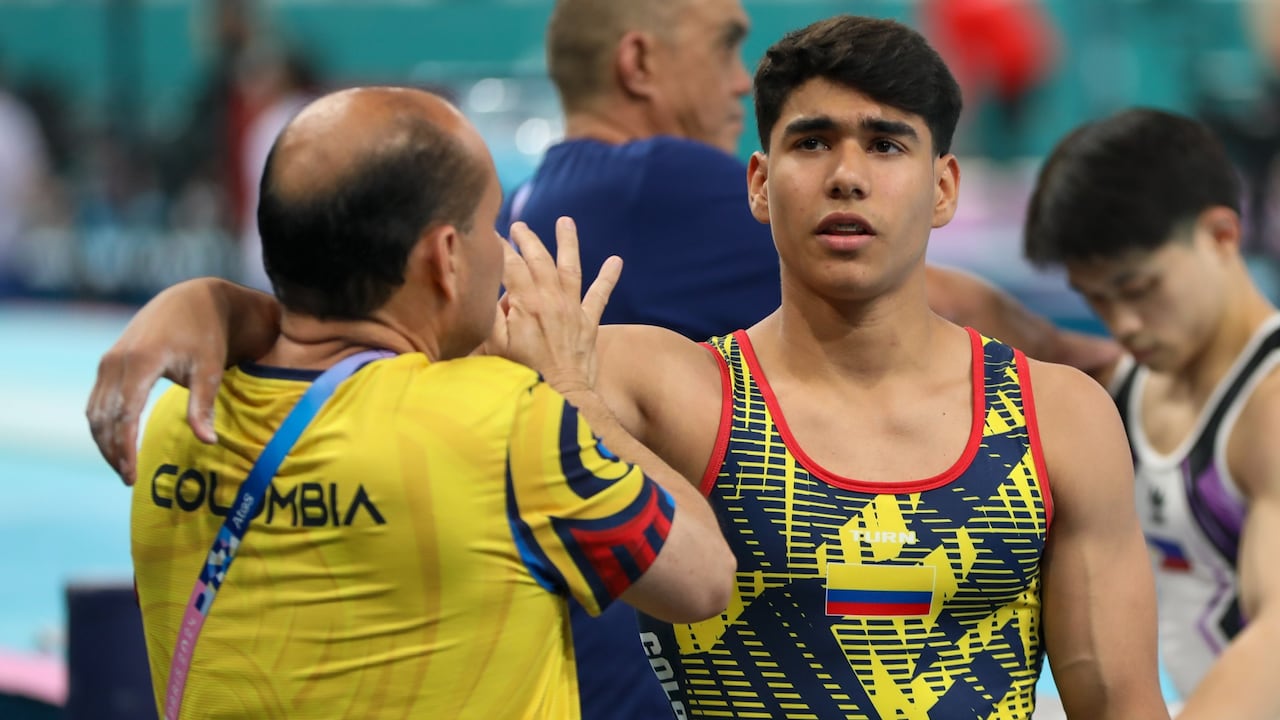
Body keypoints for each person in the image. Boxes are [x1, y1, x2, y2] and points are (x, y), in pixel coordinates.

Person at [89, 15, 1168, 719]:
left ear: (940, 190)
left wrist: (209, 305)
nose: (845, 176)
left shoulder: (1056, 420)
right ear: (753, 183)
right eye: (809, 144)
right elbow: (366, 318)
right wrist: (214, 303)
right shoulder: (649, 381)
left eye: (884, 146)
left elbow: (1120, 701)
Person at [127, 85, 735, 719]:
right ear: (446, 258)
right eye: (489, 224)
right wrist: (569, 385)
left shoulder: (176, 418)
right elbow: (704, 576)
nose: (500, 252)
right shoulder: (504, 423)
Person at [511, 0, 1118, 372]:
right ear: (639, 64)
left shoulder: (532, 199)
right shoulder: (658, 181)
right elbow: (949, 305)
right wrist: (1099, 364)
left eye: (882, 147)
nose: (736, 83)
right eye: (724, 48)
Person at [1024, 108, 1280, 719]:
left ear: (1221, 235)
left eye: (1138, 290)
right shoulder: (1120, 381)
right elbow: (978, 314)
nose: (1124, 325)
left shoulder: (1268, 409)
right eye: (1097, 301)